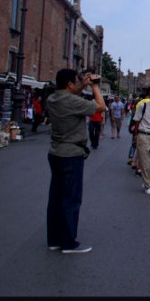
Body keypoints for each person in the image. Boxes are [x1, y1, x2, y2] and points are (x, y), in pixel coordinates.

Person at [45, 68, 105, 254]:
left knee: (55, 197)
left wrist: (82, 85)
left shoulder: (53, 98)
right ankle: (69, 243)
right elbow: (101, 107)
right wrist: (94, 87)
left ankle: (54, 240)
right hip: (71, 153)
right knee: (71, 199)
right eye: (76, 80)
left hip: (55, 152)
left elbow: (70, 94)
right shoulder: (72, 101)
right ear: (70, 83)